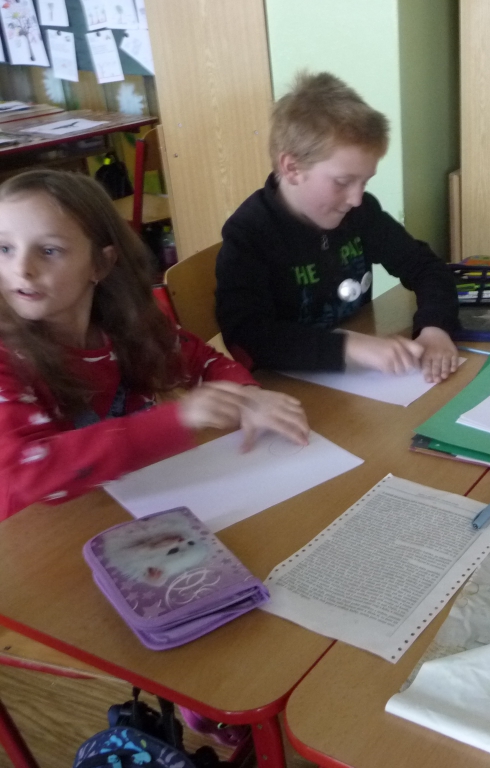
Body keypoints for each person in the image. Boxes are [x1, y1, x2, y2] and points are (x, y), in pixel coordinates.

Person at [0, 170, 308, 520]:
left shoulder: (127, 325)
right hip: (34, 532)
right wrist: (177, 419)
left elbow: (202, 360)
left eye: (48, 250)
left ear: (101, 263)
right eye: (4, 248)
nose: (21, 269)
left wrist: (247, 395)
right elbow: (26, 471)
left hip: (121, 505)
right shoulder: (7, 358)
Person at [216, 71, 460, 383]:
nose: (356, 199)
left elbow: (426, 267)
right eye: (343, 182)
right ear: (292, 168)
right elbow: (249, 336)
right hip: (289, 388)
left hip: (357, 384)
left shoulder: (360, 213)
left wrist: (435, 327)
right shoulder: (249, 233)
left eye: (365, 182)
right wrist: (348, 347)